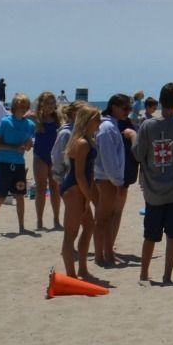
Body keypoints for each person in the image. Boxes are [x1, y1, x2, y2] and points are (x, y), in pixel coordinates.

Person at [135, 83, 173, 284]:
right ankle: (167, 276)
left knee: (150, 235)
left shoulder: (147, 126)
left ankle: (144, 273)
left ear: (160, 100)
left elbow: (138, 153)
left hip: (154, 190)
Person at [58, 103, 102, 279]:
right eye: (97, 119)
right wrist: (90, 198)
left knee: (89, 226)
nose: (100, 122)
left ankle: (82, 268)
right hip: (74, 189)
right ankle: (71, 275)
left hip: (81, 188)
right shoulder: (82, 143)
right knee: (71, 234)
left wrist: (89, 196)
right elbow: (79, 175)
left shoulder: (88, 139)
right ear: (87, 121)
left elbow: (88, 173)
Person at [0, 93, 37, 234]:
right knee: (1, 196)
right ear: (14, 107)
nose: (23, 109)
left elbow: (30, 141)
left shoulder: (30, 125)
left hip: (19, 164)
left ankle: (21, 227)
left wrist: (28, 144)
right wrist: (14, 147)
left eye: (25, 106)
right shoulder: (6, 122)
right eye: (20, 106)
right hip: (4, 163)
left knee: (20, 195)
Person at [91, 95, 132, 267]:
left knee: (107, 219)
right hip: (106, 179)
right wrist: (118, 181)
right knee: (103, 219)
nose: (128, 112)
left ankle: (107, 253)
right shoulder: (107, 128)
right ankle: (100, 256)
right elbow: (108, 159)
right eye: (125, 108)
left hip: (109, 178)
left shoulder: (111, 125)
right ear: (114, 107)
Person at [32, 92, 63, 231]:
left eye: (52, 103)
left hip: (54, 157)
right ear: (41, 104)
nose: (50, 106)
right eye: (47, 103)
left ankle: (56, 220)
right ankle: (39, 221)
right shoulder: (35, 118)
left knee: (55, 188)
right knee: (40, 189)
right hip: (40, 156)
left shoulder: (58, 119)